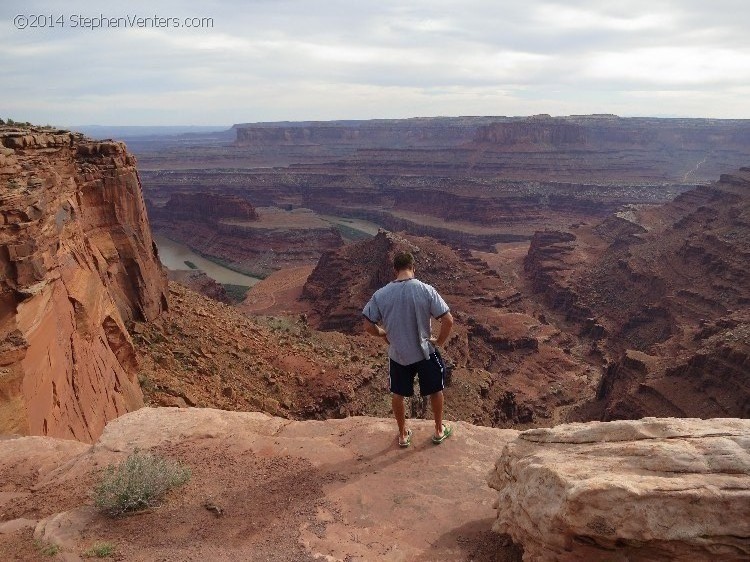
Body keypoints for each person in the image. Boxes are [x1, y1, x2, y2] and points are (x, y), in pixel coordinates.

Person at [362, 251, 454, 447]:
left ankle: (403, 434)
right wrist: (439, 342)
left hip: (398, 354)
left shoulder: (380, 294)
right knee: (436, 390)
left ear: (394, 270)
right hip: (425, 352)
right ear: (413, 268)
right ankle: (438, 430)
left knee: (398, 393)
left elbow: (367, 325)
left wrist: (382, 334)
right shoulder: (426, 290)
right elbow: (448, 320)